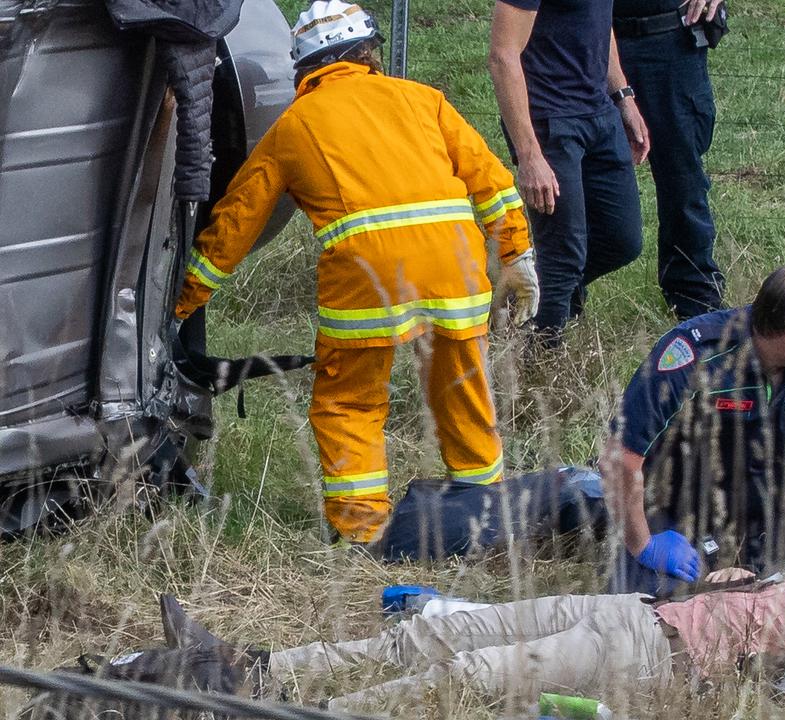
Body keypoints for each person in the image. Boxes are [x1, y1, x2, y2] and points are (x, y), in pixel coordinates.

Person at [175, 1, 538, 547]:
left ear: (304, 67)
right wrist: (517, 256)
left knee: (349, 403)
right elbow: (491, 181)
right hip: (455, 274)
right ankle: (484, 513)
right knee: (462, 391)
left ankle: (363, 533)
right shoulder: (425, 100)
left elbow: (234, 224)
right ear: (369, 52)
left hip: (367, 285)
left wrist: (181, 303)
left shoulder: (294, 126)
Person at [603, 262, 785, 595]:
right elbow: (620, 458)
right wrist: (643, 544)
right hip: (677, 503)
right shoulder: (695, 357)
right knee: (650, 605)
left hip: (768, 501)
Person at [255, 579, 785, 709]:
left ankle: (313, 714)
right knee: (434, 633)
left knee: (473, 671)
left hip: (652, 658)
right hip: (634, 609)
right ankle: (255, 671)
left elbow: (782, 690)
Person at [488, 0, 649, 342]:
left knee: (623, 240)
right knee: (563, 251)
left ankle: (530, 297)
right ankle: (543, 359)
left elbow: (598, 22)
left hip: (599, 113)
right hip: (550, 119)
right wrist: (529, 153)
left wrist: (623, 97)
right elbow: (503, 56)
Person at [613, 0, 727, 319]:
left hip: (669, 41)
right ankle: (560, 302)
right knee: (580, 173)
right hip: (586, 37)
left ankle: (696, 305)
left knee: (683, 182)